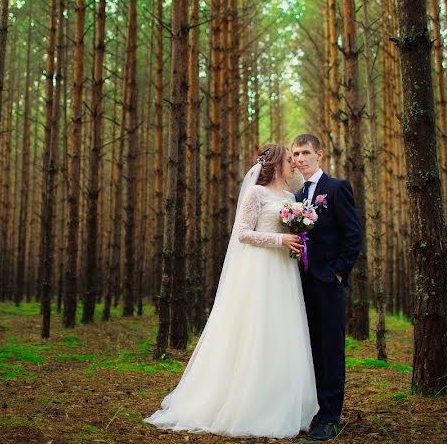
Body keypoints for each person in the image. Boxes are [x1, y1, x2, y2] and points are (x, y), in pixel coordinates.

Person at [145, 144, 319, 438]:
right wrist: (280, 241)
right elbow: (242, 233)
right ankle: (246, 403)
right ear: (276, 165)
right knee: (255, 332)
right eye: (290, 160)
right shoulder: (256, 194)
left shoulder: (291, 198)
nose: (294, 165)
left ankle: (281, 401)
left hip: (284, 274)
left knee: (281, 333)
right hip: (260, 272)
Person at [292, 133, 364, 441]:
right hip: (300, 285)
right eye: (295, 154)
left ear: (320, 155)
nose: (300, 159)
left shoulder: (335, 188)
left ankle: (331, 417)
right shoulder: (295, 198)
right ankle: (314, 410)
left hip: (327, 282)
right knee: (309, 349)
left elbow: (353, 235)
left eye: (306, 152)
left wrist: (338, 272)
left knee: (331, 349)